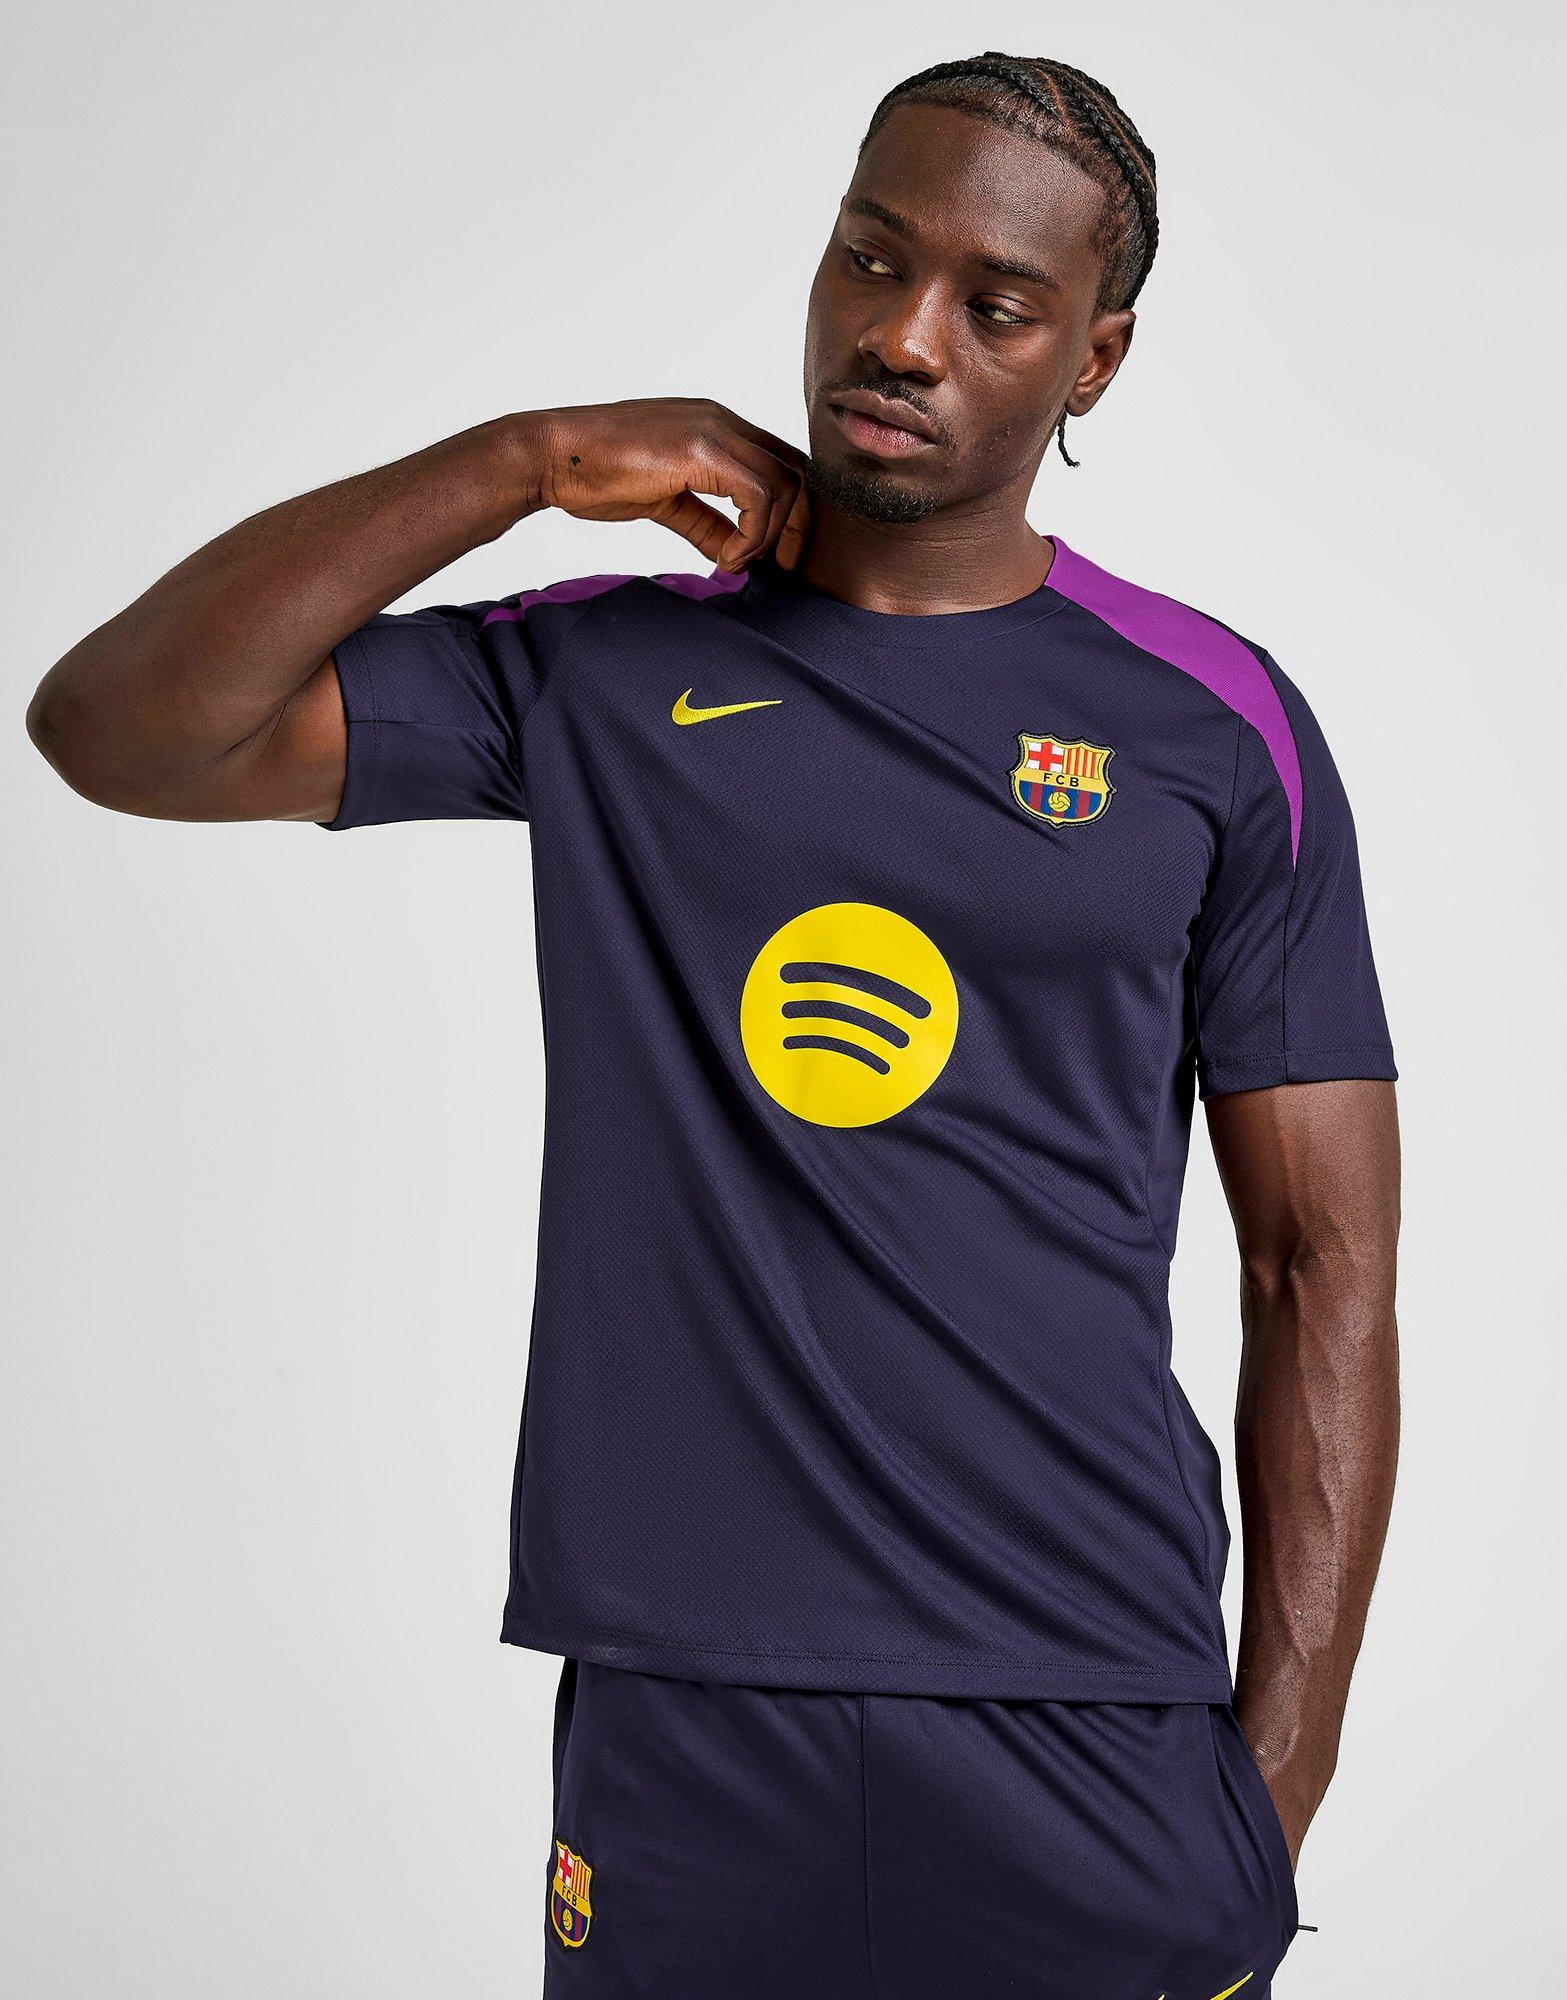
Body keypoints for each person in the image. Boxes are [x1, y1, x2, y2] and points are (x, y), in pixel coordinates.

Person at [26, 49, 1400, 2000]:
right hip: (684, 1717)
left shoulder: (1211, 724)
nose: (902, 336)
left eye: (996, 306)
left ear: (1092, 362)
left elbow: (1319, 1262)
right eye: (871, 259)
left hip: (1087, 1703)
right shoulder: (606, 672)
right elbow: (124, 728)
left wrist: (1279, 1789)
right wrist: (516, 460)